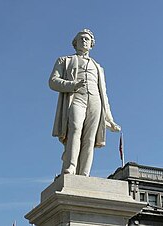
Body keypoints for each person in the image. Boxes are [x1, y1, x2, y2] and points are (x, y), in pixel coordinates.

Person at [49, 29, 121, 176]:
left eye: (87, 39)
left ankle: (84, 173)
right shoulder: (64, 60)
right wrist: (72, 85)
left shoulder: (98, 68)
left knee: (90, 138)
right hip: (76, 98)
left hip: (95, 100)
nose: (84, 41)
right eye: (81, 39)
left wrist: (110, 119)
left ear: (91, 44)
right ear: (75, 44)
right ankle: (70, 167)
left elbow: (104, 94)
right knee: (75, 130)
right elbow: (53, 81)